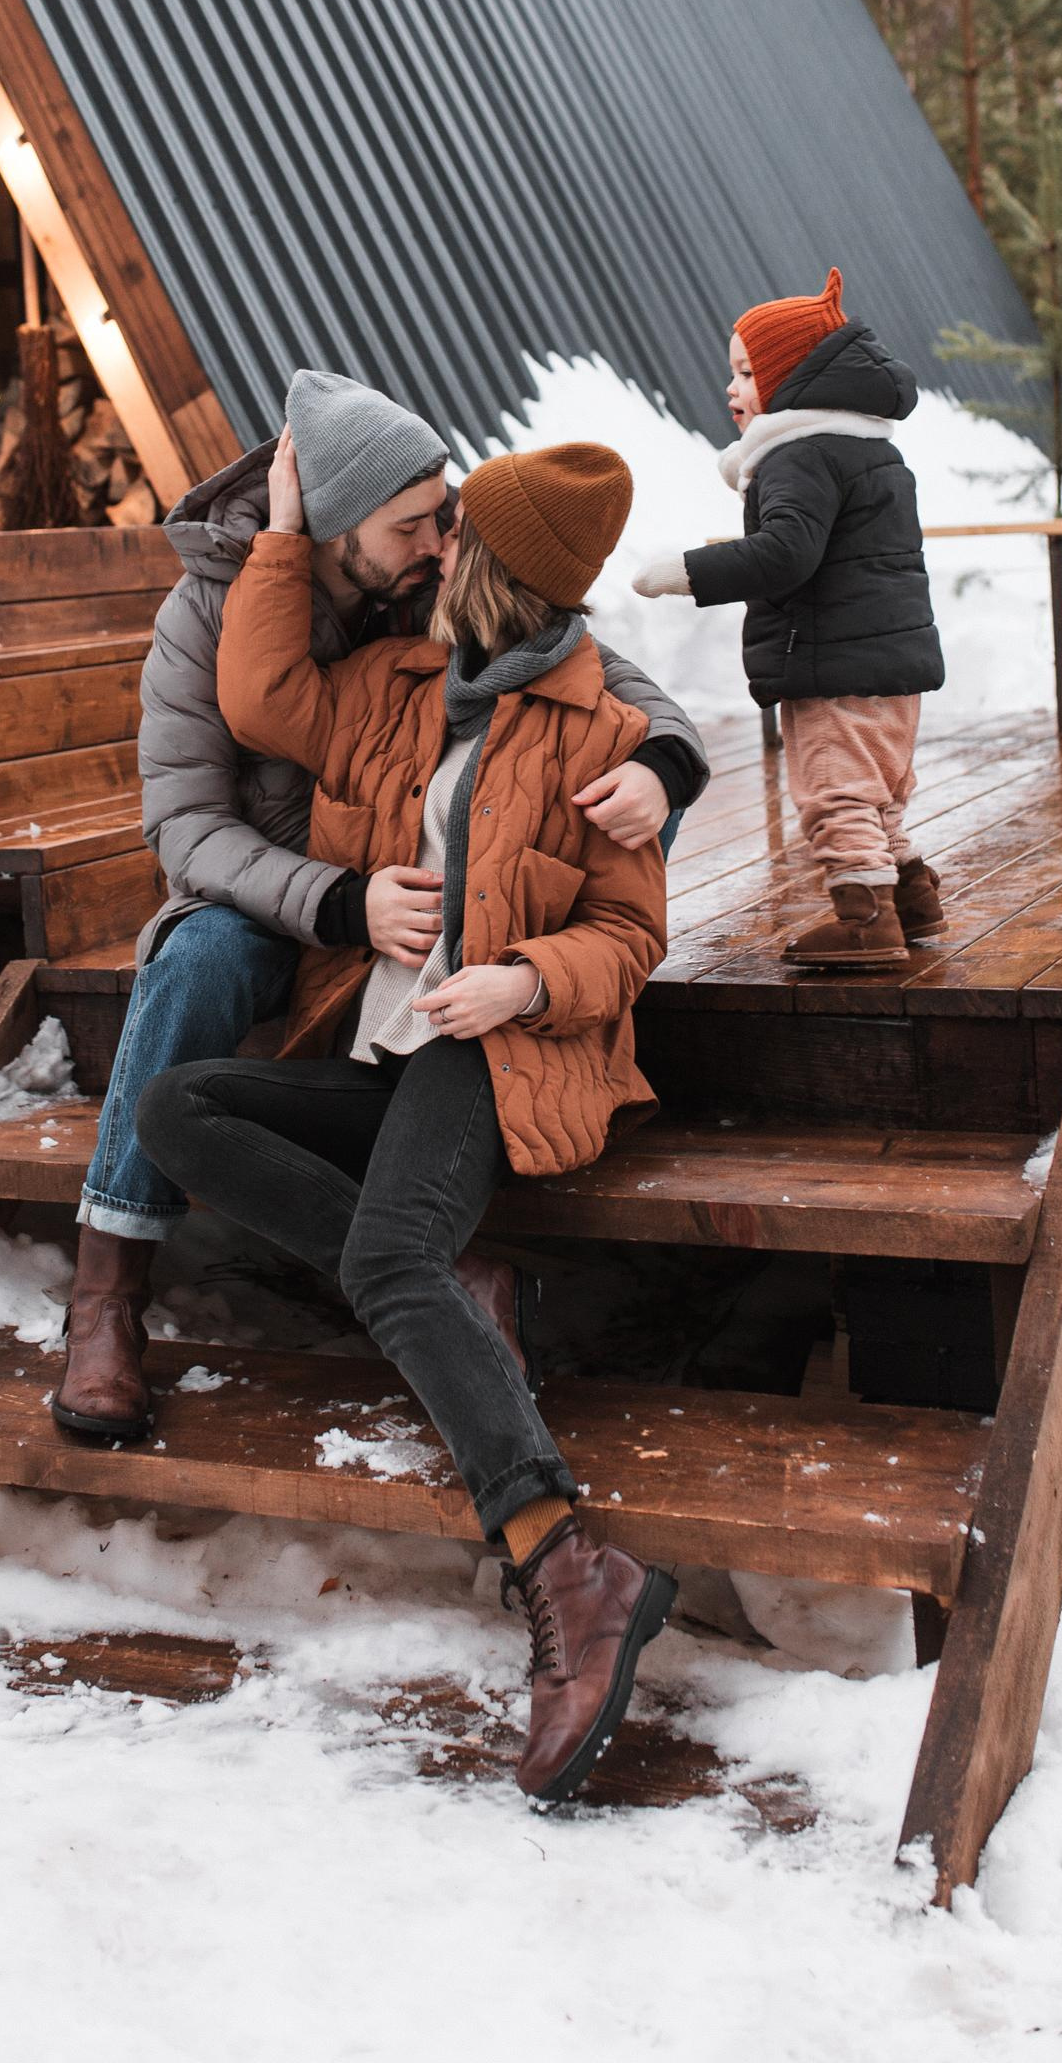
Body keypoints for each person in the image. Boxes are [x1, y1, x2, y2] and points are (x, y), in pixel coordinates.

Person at [138, 434, 677, 1804]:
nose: (434, 553)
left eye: (459, 543)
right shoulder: (393, 684)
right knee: (178, 1108)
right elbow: (258, 700)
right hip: (381, 1039)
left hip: (494, 1053)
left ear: (502, 574)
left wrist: (523, 979)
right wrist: (276, 533)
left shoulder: (605, 734)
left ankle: (567, 1557)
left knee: (384, 1259)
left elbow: (629, 938)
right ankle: (450, 1282)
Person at [53, 370, 710, 1445]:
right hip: (267, 889)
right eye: (413, 522)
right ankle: (107, 1290)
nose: (437, 537)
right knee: (197, 965)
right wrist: (336, 901)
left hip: (416, 897)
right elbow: (183, 826)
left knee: (602, 806)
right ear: (328, 521)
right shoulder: (205, 614)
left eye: (444, 515)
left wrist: (666, 768)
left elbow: (589, 666)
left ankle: (529, 1008)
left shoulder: (428, 578)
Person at [631, 266, 946, 969]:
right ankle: (911, 899)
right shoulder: (864, 447)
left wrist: (688, 572)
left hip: (833, 661)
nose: (731, 389)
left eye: (745, 373)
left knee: (834, 791)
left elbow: (786, 554)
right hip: (890, 660)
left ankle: (865, 920)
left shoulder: (798, 455)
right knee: (877, 793)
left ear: (790, 377)